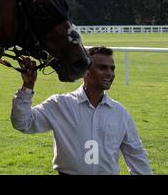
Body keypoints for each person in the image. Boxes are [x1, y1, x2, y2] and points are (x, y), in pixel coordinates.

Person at [10, 46, 152, 175]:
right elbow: (23, 123)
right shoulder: (60, 104)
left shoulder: (120, 112)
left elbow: (136, 155)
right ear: (86, 71)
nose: (110, 73)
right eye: (103, 67)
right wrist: (27, 87)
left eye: (112, 68)